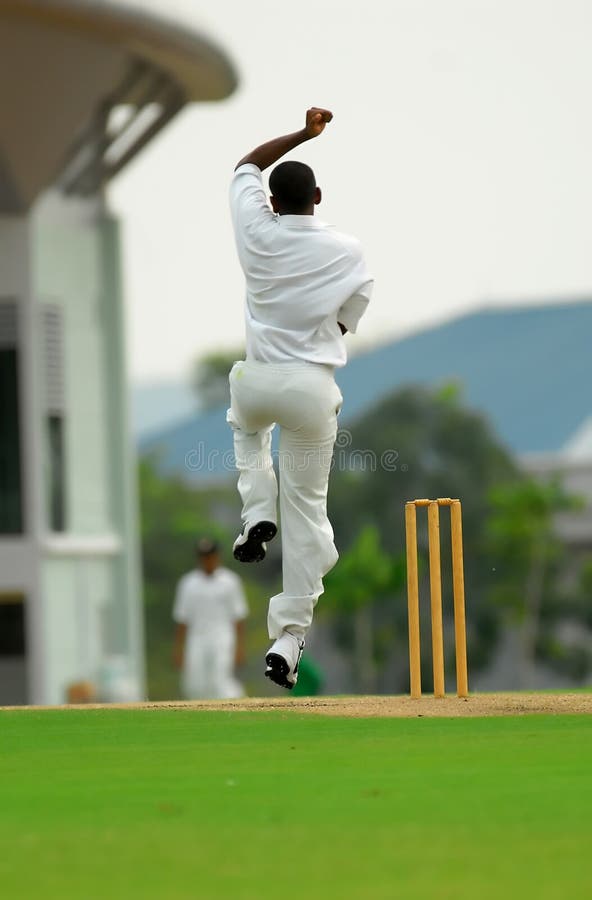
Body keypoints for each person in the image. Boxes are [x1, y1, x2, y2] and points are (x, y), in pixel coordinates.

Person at [227, 107, 373, 690]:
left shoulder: (255, 230)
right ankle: (289, 638)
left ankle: (257, 512)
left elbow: (246, 165)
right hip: (311, 387)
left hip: (258, 379)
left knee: (245, 430)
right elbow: (348, 319)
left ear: (275, 200)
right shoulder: (347, 250)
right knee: (308, 515)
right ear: (318, 195)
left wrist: (303, 134)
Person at [172, 538, 248, 699]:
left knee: (219, 681)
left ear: (217, 556)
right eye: (204, 556)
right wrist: (178, 649)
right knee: (194, 683)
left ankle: (235, 706)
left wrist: (240, 648)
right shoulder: (188, 583)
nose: (208, 560)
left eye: (210, 556)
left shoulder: (230, 581)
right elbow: (182, 619)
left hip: (223, 637)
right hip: (196, 638)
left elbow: (238, 617)